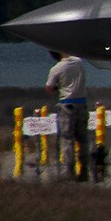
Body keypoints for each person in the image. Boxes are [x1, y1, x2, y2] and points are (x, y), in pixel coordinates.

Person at [44, 50, 89, 180]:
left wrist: (59, 87)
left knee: (67, 138)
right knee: (83, 139)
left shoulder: (56, 68)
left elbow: (49, 87)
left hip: (67, 104)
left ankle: (70, 170)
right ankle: (84, 170)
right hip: (82, 103)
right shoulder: (78, 62)